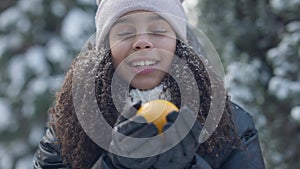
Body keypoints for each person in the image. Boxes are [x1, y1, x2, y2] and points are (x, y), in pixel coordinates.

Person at [33, 0, 266, 168]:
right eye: (124, 32)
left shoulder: (233, 127)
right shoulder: (71, 128)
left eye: (158, 30)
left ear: (178, 43)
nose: (142, 42)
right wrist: (114, 165)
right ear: (106, 48)